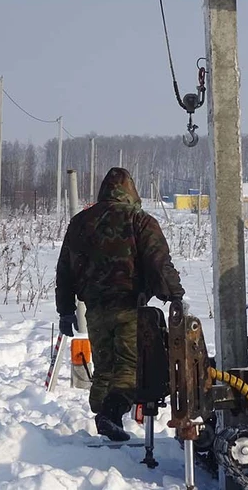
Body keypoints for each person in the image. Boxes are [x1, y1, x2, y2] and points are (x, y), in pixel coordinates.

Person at [55, 167, 185, 441]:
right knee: (130, 367)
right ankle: (110, 417)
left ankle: (103, 421)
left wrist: (65, 310)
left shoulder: (80, 222)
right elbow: (159, 263)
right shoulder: (140, 221)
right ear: (131, 191)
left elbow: (64, 271)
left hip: (95, 309)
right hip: (129, 307)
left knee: (104, 368)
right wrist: (175, 296)